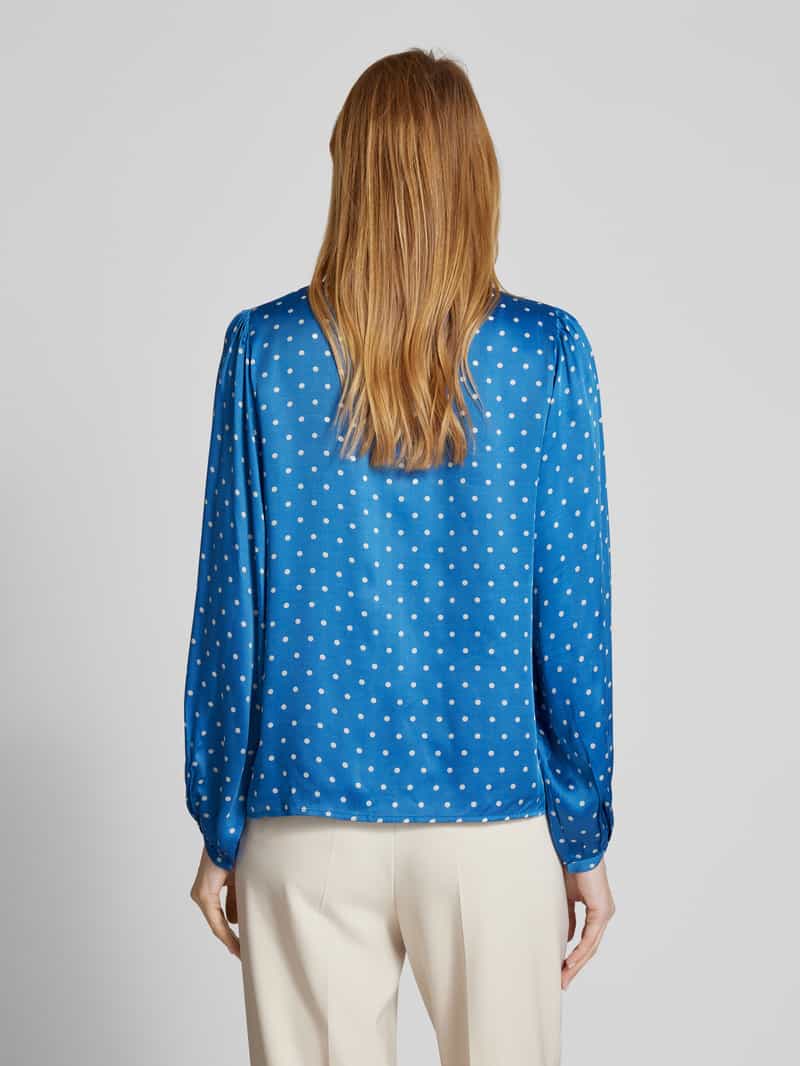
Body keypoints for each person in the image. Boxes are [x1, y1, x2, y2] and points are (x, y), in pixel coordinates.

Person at [183, 46, 616, 1066]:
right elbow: (572, 617)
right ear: (478, 176)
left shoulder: (265, 351)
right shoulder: (544, 354)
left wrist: (222, 822)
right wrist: (582, 837)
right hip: (491, 822)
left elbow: (231, 609)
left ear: (350, 170)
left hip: (304, 815)